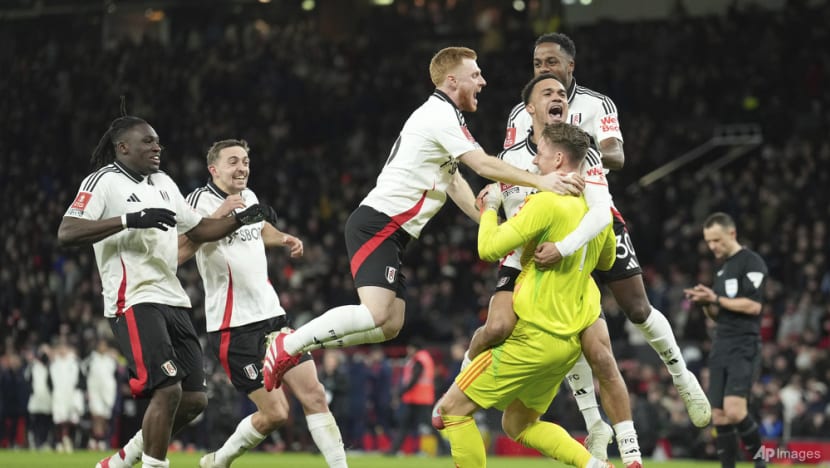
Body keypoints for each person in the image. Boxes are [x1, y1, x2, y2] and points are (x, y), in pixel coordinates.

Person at [262, 46, 584, 390]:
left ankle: (296, 345)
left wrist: (497, 226)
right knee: (375, 313)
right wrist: (541, 180)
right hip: (379, 222)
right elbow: (483, 165)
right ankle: (290, 344)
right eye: (475, 75)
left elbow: (455, 182)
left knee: (390, 325)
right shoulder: (439, 115)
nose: (483, 81)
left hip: (394, 231)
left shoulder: (445, 118)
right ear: (451, 80)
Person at [507, 32, 711, 439]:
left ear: (570, 67)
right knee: (566, 321)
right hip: (550, 220)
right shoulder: (520, 113)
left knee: (637, 307)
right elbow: (514, 165)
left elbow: (617, 154)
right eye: (537, 63)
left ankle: (682, 376)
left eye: (551, 62)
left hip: (598, 214)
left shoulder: (595, 105)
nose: (544, 69)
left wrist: (581, 148)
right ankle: (593, 420)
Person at [444, 73, 642, 466]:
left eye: (561, 92)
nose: (558, 95)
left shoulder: (569, 182)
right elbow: (602, 250)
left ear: (556, 159)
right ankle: (598, 456)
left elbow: (488, 243)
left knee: (451, 412)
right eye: (546, 92)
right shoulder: (522, 162)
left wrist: (493, 212)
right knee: (517, 413)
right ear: (528, 109)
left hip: (538, 317)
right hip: (548, 301)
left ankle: (624, 445)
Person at [57, 115, 277, 468]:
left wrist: (240, 219)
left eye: (157, 141)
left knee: (193, 400)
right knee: (167, 389)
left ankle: (122, 460)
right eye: (147, 141)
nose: (157, 147)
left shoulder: (163, 181)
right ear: (123, 147)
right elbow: (67, 231)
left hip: (173, 297)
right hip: (134, 299)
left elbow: (200, 228)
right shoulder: (104, 182)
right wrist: (130, 218)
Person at [177, 139, 348, 468]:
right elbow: (181, 247)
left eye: (245, 161)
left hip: (273, 318)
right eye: (233, 162)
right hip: (233, 327)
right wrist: (220, 214)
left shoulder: (249, 197)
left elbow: (259, 227)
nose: (241, 167)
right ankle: (219, 460)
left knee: (314, 394)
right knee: (276, 414)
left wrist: (282, 237)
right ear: (213, 169)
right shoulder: (198, 201)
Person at [684, 212, 768, 468]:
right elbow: (718, 315)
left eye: (717, 240)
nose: (712, 246)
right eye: (709, 242)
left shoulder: (752, 262)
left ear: (732, 234)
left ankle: (762, 462)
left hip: (744, 343)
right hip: (721, 344)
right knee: (719, 416)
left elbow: (753, 306)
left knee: (735, 411)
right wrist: (706, 303)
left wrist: (716, 300)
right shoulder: (722, 269)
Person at [387, 338, 435, 456]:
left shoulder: (419, 360)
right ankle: (393, 450)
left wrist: (401, 392)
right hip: (418, 398)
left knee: (427, 424)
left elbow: (414, 379)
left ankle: (445, 448)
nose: (408, 350)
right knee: (406, 425)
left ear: (414, 348)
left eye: (409, 348)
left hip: (419, 398)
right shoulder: (424, 358)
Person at [83, 339, 119, 451]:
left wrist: (116, 357)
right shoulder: (92, 359)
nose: (102, 348)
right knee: (96, 416)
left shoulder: (111, 360)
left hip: (108, 393)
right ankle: (94, 440)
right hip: (95, 392)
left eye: (104, 346)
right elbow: (83, 370)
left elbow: (120, 371)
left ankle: (102, 440)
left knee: (104, 417)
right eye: (100, 346)